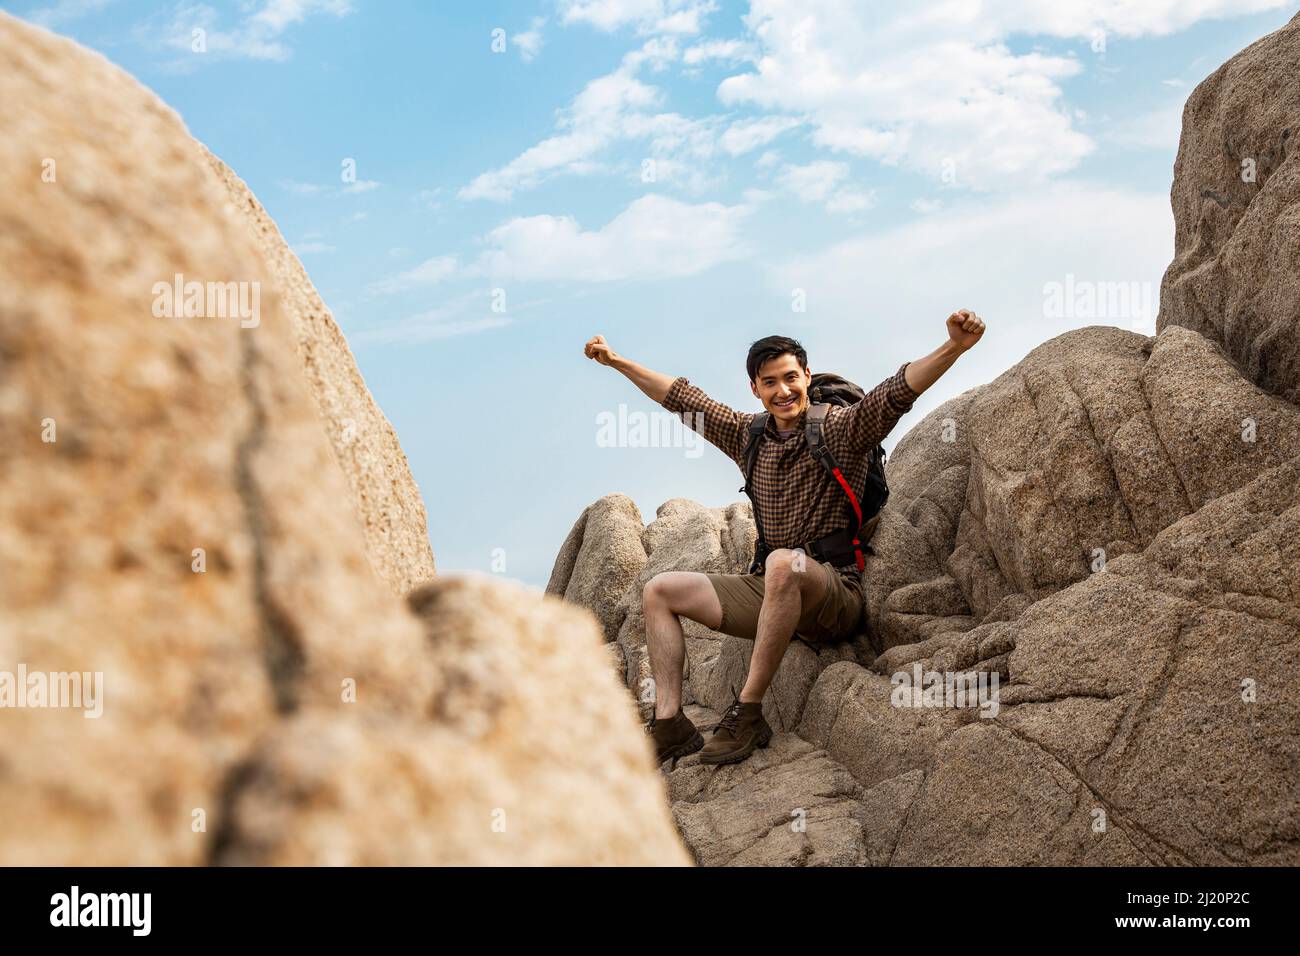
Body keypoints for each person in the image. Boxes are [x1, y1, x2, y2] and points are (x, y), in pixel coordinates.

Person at [583, 310, 986, 765]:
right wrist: (617, 361)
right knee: (659, 590)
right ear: (755, 388)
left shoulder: (840, 429)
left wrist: (953, 346)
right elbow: (680, 398)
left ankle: (749, 711)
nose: (782, 390)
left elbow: (896, 392)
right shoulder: (746, 436)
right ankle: (671, 724)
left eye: (791, 377)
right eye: (769, 382)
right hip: (773, 588)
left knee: (783, 563)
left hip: (834, 593)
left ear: (807, 376)